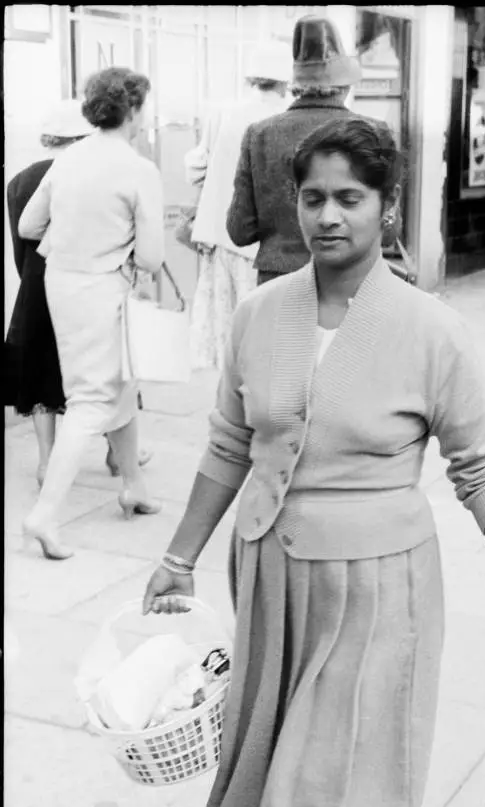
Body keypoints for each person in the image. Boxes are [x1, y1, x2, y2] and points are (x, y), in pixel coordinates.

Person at [142, 117, 485, 807]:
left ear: (386, 207)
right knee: (281, 744)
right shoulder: (261, 313)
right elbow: (227, 445)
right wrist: (177, 558)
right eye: (314, 198)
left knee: (326, 764)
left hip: (376, 585)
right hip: (270, 572)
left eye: (350, 199)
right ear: (295, 202)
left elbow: (478, 462)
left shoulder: (430, 330)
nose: (329, 217)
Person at [19, 67, 165, 560]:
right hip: (105, 290)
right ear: (134, 111)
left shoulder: (68, 159)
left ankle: (135, 487)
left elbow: (28, 224)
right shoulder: (139, 169)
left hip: (63, 284)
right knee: (89, 401)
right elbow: (150, 258)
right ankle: (44, 515)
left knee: (120, 385)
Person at [4, 100, 152, 489]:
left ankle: (45, 460)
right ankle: (117, 455)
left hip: (36, 290)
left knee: (39, 374)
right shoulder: (92, 171)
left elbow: (22, 242)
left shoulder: (19, 179)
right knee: (105, 375)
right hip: (86, 287)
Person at [226, 14, 362, 286]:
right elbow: (391, 230)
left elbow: (240, 230)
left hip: (278, 286)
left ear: (295, 85)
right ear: (345, 85)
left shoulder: (259, 135)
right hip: (350, 284)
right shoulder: (374, 134)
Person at [184, 41, 291, 368]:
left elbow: (195, 170)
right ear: (286, 81)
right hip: (264, 245)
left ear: (250, 79)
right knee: (263, 337)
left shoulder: (223, 114)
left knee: (228, 334)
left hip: (221, 237)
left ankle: (230, 402)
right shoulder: (285, 117)